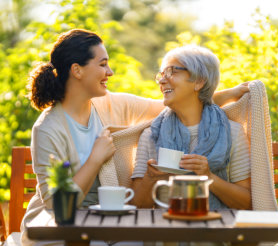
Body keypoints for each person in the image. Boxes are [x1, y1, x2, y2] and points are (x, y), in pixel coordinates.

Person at [21, 29, 249, 245]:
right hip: (57, 228)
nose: (110, 72)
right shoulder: (48, 129)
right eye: (103, 64)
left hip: (108, 222)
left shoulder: (111, 104)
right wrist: (94, 160)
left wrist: (226, 94)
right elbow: (57, 206)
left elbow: (174, 104)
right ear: (77, 70)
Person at [131, 45, 252, 210]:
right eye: (162, 74)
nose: (161, 80)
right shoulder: (152, 134)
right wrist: (150, 178)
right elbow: (137, 207)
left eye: (172, 71)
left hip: (217, 230)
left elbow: (247, 203)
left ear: (199, 81)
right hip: (167, 231)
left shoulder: (232, 132)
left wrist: (208, 177)